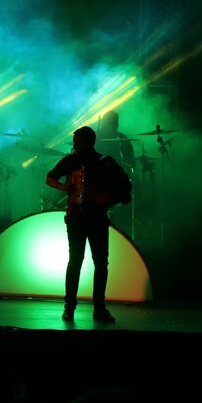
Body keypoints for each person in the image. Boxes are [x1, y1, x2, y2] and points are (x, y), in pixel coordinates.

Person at [45, 125, 117, 323]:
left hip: (98, 217)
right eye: (75, 142)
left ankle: (99, 308)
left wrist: (107, 197)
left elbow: (120, 187)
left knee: (100, 263)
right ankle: (69, 307)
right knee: (76, 261)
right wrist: (63, 186)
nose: (75, 146)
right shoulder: (70, 160)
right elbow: (50, 177)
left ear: (90, 143)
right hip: (76, 217)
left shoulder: (105, 162)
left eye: (78, 143)